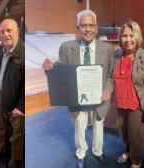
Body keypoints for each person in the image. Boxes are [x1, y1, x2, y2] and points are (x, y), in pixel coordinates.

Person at [42, 10, 115, 168]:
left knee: (98, 127)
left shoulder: (107, 48)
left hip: (99, 98)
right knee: (79, 127)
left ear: (96, 28)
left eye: (90, 25)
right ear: (78, 28)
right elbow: (60, 69)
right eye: (83, 26)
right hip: (77, 97)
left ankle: (97, 151)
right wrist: (49, 67)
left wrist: (108, 89)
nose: (87, 29)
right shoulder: (67, 47)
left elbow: (110, 74)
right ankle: (81, 154)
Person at [112, 20, 144, 168]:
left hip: (136, 105)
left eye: (131, 35)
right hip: (120, 103)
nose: (128, 39)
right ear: (120, 38)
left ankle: (136, 161)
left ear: (137, 37)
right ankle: (127, 152)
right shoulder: (116, 55)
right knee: (124, 133)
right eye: (124, 36)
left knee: (136, 136)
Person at [0, 18, 25, 168]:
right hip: (1, 97)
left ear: (17, 32)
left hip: (17, 101)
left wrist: (21, 107)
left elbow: (25, 84)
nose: (5, 34)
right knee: (2, 128)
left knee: (17, 134)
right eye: (2, 32)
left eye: (9, 30)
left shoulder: (23, 53)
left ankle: (15, 161)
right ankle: (3, 151)